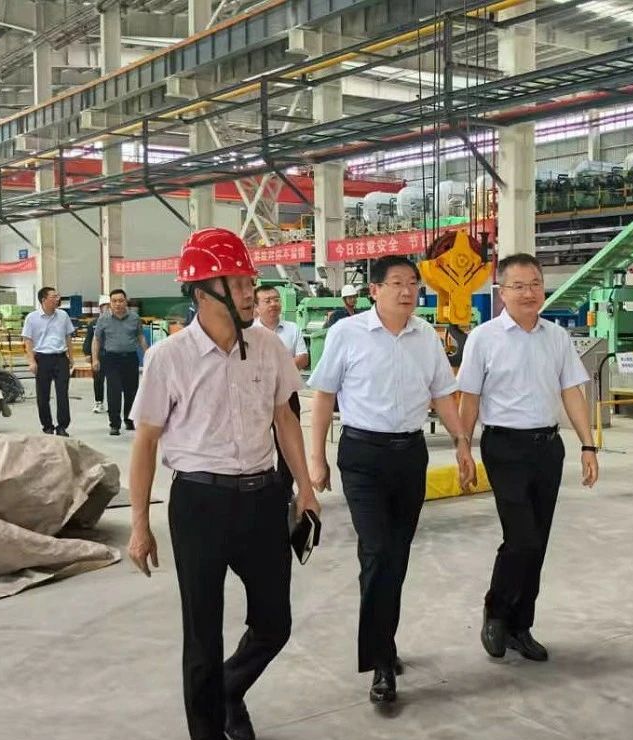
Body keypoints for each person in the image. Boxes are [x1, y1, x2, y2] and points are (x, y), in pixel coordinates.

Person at [127, 227, 320, 740]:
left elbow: (284, 417)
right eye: (236, 283)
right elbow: (146, 442)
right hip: (199, 505)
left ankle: (230, 690)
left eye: (248, 282)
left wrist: (305, 487)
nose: (248, 292)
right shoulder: (168, 358)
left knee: (274, 622)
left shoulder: (268, 348)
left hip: (263, 499)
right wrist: (140, 523)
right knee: (202, 641)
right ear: (202, 291)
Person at [307, 255, 475, 705]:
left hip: (409, 456)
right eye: (397, 282)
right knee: (379, 551)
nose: (407, 290)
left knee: (391, 558)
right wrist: (316, 458)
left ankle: (384, 639)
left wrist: (461, 442)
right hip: (362, 456)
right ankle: (381, 663)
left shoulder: (427, 337)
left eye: (413, 283)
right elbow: (324, 396)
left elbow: (443, 395)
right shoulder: (347, 333)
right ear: (375, 290)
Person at [456, 253, 600, 662]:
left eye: (535, 284)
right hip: (504, 447)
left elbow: (572, 391)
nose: (528, 293)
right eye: (518, 286)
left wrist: (588, 445)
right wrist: (463, 446)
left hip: (547, 447)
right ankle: (496, 611)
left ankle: (521, 627)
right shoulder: (484, 338)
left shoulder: (556, 337)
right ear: (501, 292)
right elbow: (469, 397)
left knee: (538, 541)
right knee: (522, 538)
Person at [253, 284, 309, 495]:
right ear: (257, 307)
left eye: (276, 299)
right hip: (257, 395)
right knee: (257, 441)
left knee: (288, 442)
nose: (273, 304)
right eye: (267, 301)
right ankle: (261, 487)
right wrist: (283, 365)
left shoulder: (292, 329)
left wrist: (273, 369)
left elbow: (303, 358)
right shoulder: (249, 332)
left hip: (287, 392)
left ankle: (285, 490)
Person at [92, 288, 149, 436]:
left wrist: (148, 355)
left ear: (126, 301)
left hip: (130, 358)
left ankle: (129, 420)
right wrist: (95, 359)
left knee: (131, 391)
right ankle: (114, 424)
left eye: (121, 301)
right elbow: (96, 339)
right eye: (114, 301)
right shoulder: (103, 319)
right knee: (114, 391)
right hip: (111, 359)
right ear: (110, 303)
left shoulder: (134, 318)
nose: (118, 304)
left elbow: (140, 337)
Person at [22, 286, 75, 436]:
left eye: (58, 296)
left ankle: (62, 426)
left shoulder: (63, 316)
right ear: (44, 299)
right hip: (42, 358)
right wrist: (31, 361)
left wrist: (71, 358)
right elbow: (28, 340)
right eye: (54, 296)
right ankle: (47, 425)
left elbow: (68, 337)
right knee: (43, 395)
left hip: (60, 358)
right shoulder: (32, 318)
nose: (57, 299)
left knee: (62, 393)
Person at [85, 294, 109, 414]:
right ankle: (99, 402)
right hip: (98, 355)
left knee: (113, 380)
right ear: (100, 308)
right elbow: (89, 339)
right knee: (98, 380)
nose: (108, 308)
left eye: (109, 306)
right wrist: (88, 353)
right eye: (106, 306)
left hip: (111, 355)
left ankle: (113, 403)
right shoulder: (94, 323)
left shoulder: (116, 322)